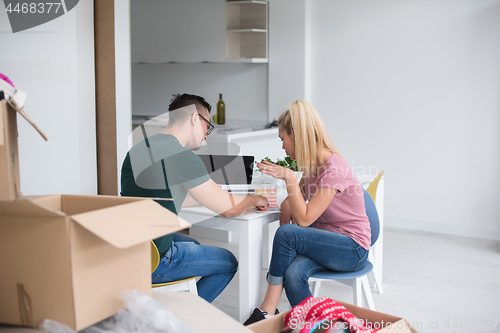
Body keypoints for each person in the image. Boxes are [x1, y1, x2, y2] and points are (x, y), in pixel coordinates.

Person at [120, 93, 269, 303]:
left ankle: (173, 303)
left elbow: (166, 196)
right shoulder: (182, 156)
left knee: (193, 243)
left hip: (128, 252)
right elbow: (229, 210)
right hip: (155, 260)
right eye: (207, 126)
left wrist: (206, 193)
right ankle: (186, 319)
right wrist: (253, 199)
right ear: (193, 118)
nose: (206, 135)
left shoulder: (137, 149)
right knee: (228, 262)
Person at [244, 100, 371, 325]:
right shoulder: (313, 166)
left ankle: (266, 310)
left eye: (283, 139)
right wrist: (277, 201)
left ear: (295, 135)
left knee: (287, 234)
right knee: (293, 274)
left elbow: (303, 219)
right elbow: (290, 205)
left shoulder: (333, 169)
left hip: (352, 248)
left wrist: (290, 177)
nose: (282, 146)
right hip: (327, 243)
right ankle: (315, 327)